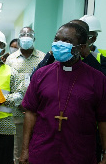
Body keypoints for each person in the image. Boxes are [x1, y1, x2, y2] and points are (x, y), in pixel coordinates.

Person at [19, 22, 106, 164]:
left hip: (79, 154)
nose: (60, 44)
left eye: (67, 41)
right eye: (57, 39)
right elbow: (30, 113)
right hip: (42, 152)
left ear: (82, 47)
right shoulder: (41, 74)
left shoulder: (97, 79)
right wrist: (24, 150)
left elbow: (103, 119)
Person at [5, 26, 45, 164]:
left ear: (34, 38)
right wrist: (17, 101)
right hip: (17, 111)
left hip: (38, 111)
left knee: (37, 147)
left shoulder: (43, 57)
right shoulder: (11, 59)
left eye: (29, 34)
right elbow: (7, 84)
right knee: (18, 149)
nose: (26, 36)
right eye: (23, 34)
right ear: (19, 38)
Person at [0, 30, 24, 164]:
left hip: (5, 126)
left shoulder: (11, 71)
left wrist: (2, 100)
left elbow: (20, 95)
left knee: (4, 161)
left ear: (3, 48)